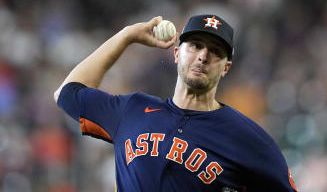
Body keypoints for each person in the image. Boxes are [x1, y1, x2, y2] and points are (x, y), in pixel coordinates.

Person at [54, 14, 298, 192]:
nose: (203, 55)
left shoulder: (248, 138)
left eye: (215, 51)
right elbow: (67, 93)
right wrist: (126, 36)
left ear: (226, 68)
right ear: (176, 53)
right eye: (195, 46)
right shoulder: (132, 110)